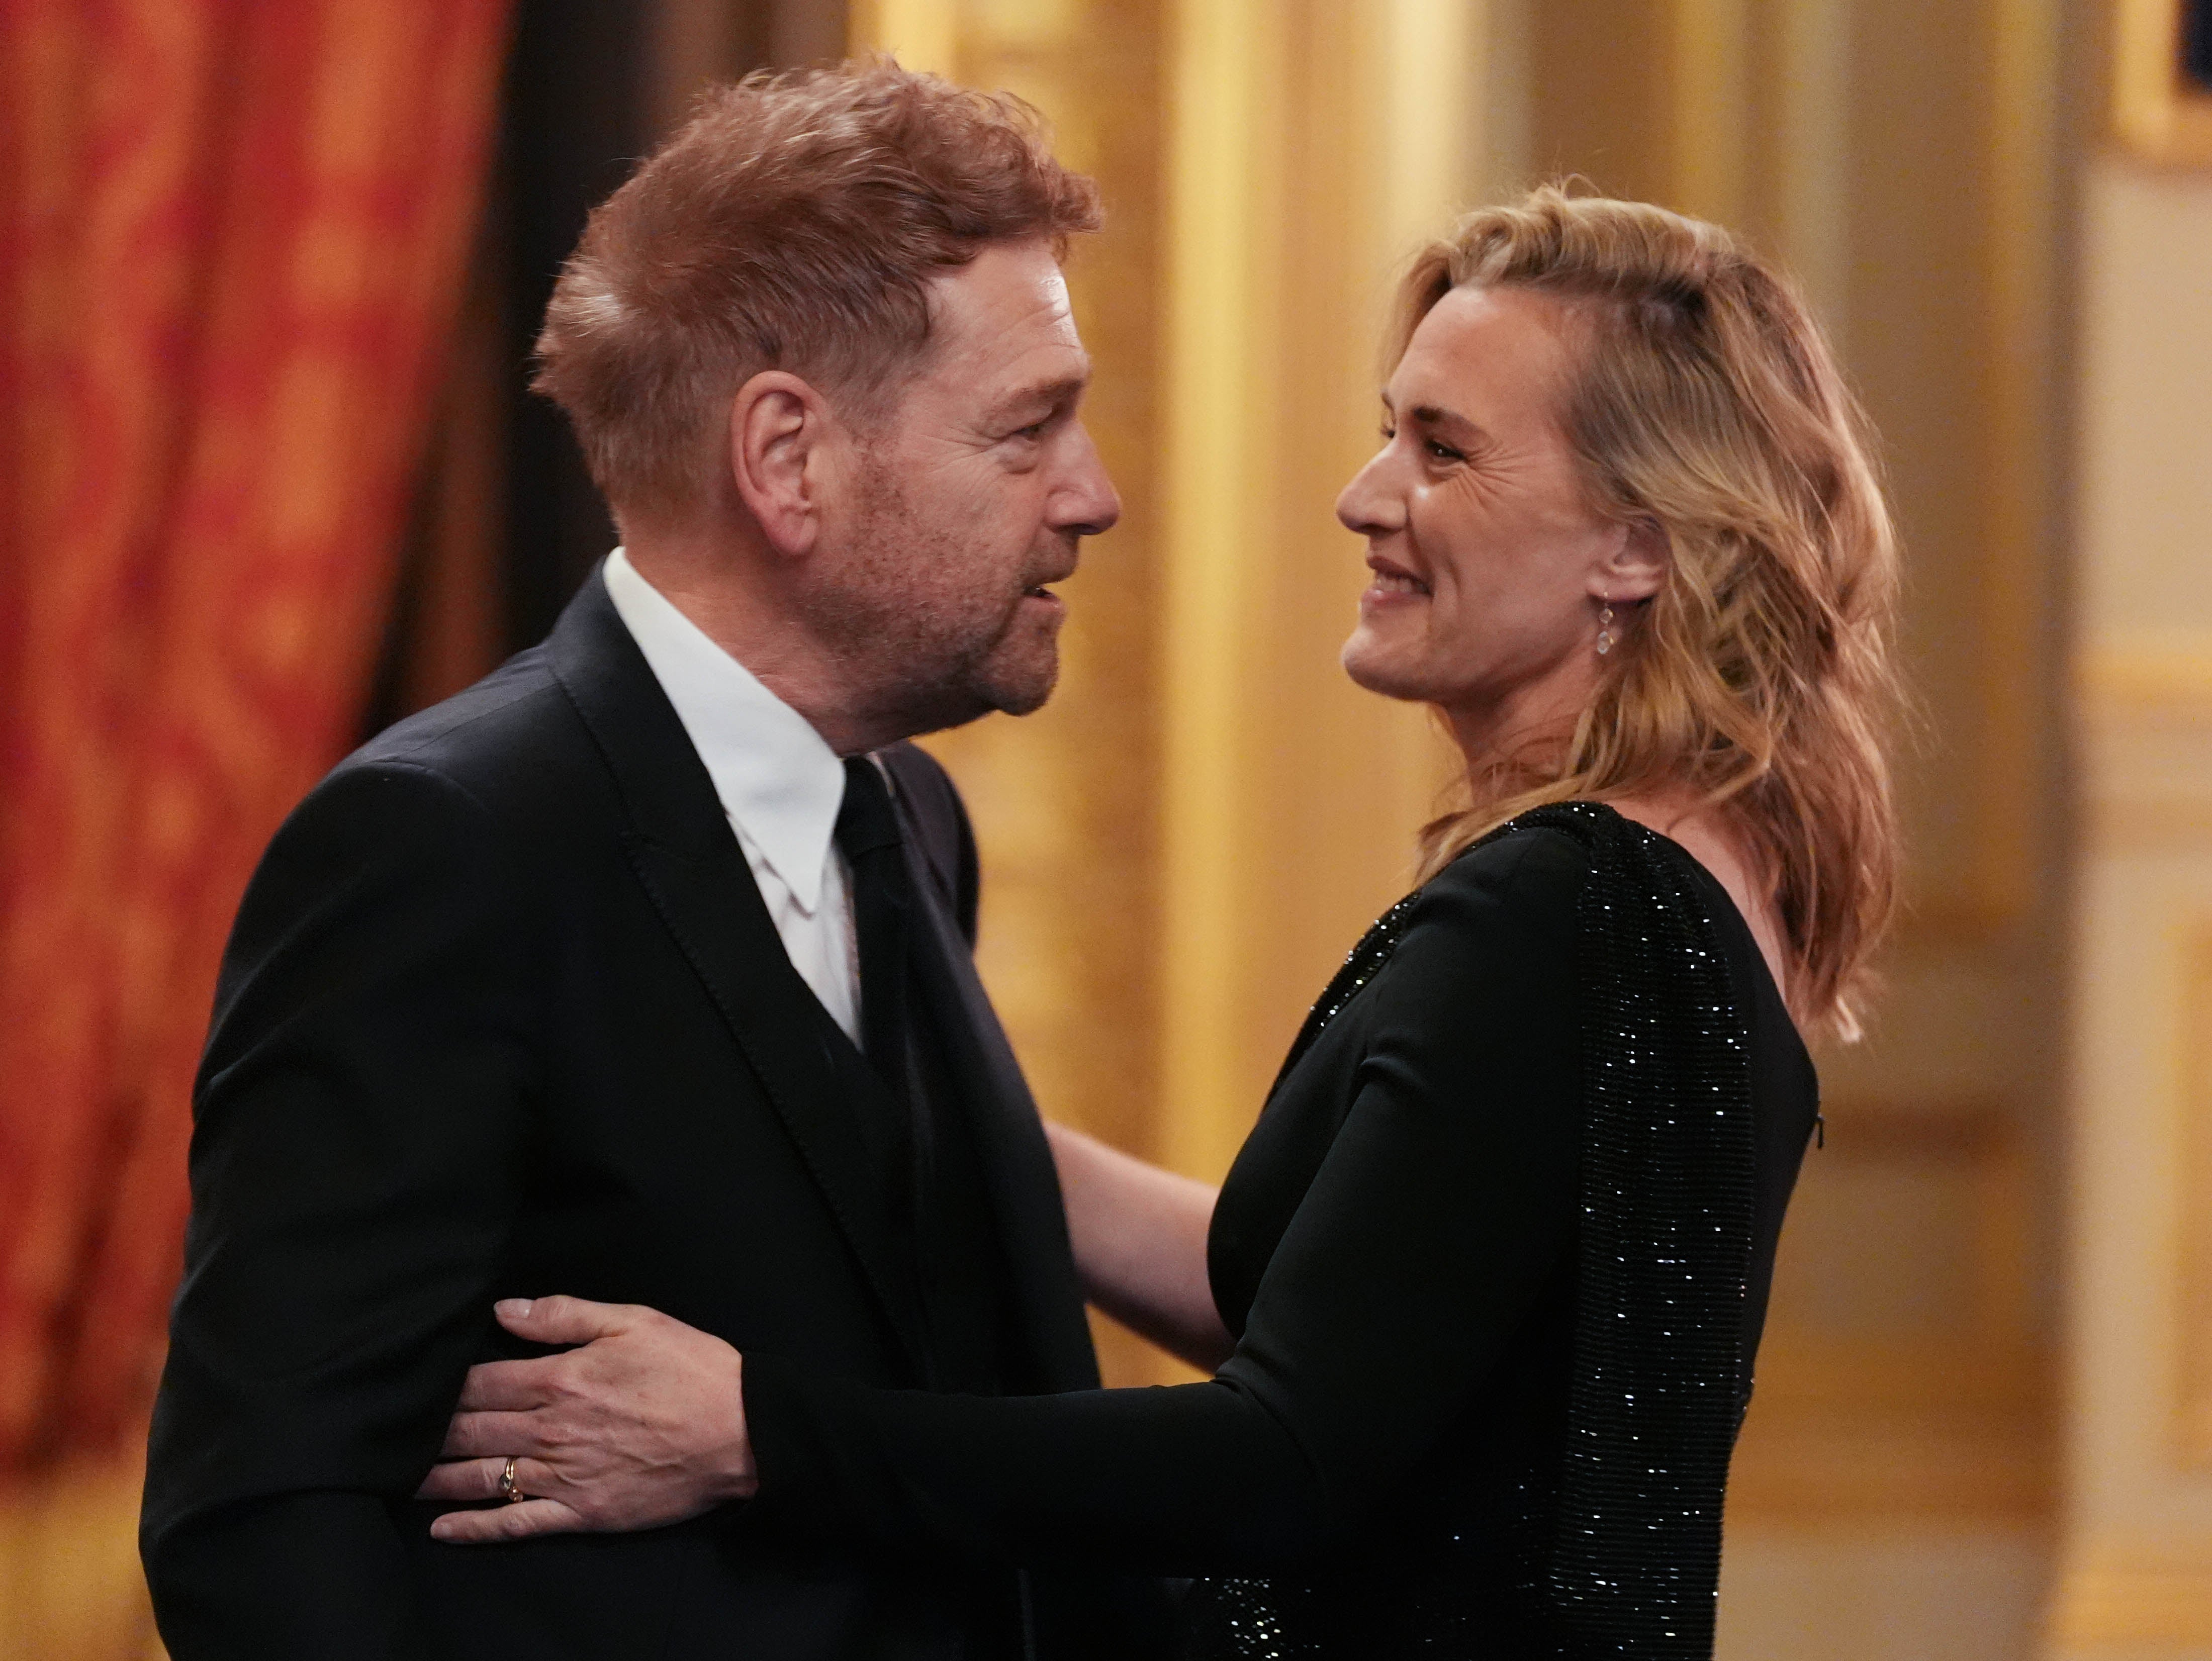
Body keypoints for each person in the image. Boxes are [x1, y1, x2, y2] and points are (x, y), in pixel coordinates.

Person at [418, 186, 1902, 1658]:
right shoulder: (1688, 886)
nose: (1365, 494)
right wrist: (907, 1105)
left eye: (1443, 450)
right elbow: (1362, 1316)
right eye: (1388, 430)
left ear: (1636, 545)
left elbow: (1286, 1459)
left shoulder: (1563, 907)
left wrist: (756, 1433)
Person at [140, 62, 1177, 1661]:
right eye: (1028, 429)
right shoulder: (444, 848)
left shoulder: (912, 817)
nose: (1093, 496)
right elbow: (261, 1521)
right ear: (789, 458)